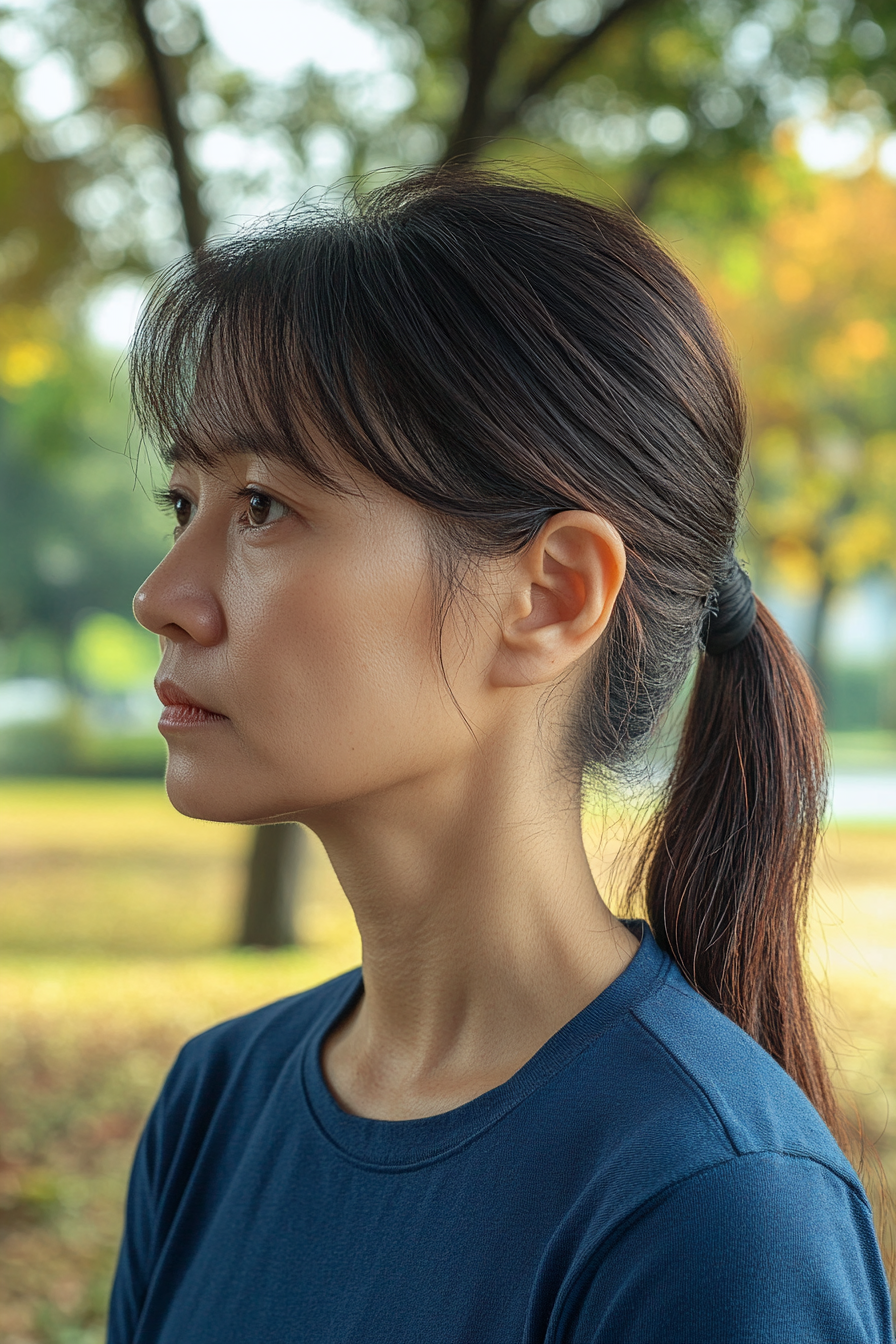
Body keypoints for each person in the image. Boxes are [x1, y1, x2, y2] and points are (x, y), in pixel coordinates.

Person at [109, 165, 894, 1343]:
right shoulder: (216, 1106)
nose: (164, 597)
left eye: (263, 505)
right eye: (185, 505)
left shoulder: (710, 1205)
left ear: (549, 596)